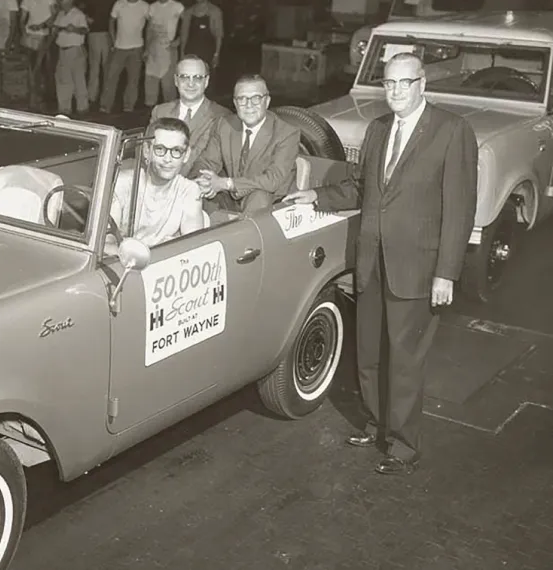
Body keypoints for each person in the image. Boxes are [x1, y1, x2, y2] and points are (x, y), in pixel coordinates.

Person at [284, 52, 478, 476]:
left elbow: (460, 209)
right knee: (369, 353)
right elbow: (360, 189)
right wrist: (316, 196)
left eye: (403, 83)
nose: (395, 91)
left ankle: (404, 444)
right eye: (388, 83)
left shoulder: (452, 130)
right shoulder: (377, 129)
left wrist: (446, 272)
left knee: (406, 360)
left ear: (422, 84)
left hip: (419, 269)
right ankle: (376, 423)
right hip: (372, 262)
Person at [192, 74, 299, 216]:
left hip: (272, 203)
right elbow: (206, 161)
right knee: (196, 195)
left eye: (256, 98)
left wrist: (226, 183)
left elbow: (273, 179)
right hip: (232, 197)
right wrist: (204, 181)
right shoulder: (224, 125)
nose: (249, 105)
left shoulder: (287, 133)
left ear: (266, 101)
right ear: (235, 103)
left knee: (259, 196)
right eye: (242, 99)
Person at [110, 117, 205, 247]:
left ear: (186, 155)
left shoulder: (189, 190)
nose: (168, 159)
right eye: (160, 149)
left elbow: (193, 244)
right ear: (146, 151)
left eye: (176, 151)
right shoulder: (121, 184)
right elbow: (105, 244)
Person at [149, 54, 229, 178]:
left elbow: (208, 163)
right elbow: (148, 153)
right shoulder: (160, 111)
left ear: (206, 81)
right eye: (184, 77)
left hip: (194, 186)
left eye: (197, 78)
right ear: (176, 80)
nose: (190, 84)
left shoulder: (221, 117)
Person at [99, 0, 149, 113]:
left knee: (133, 80)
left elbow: (151, 26)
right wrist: (113, 40)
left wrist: (147, 46)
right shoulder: (119, 4)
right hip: (119, 47)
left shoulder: (145, 6)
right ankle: (105, 105)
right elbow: (111, 22)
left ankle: (129, 106)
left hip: (137, 48)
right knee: (111, 77)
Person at [144, 0, 184, 107]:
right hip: (154, 50)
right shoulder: (152, 7)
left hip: (169, 49)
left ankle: (171, 116)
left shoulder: (177, 6)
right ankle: (150, 113)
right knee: (151, 84)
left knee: (168, 86)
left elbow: (187, 25)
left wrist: (179, 40)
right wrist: (146, 48)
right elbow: (149, 29)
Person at [80, 0, 119, 106]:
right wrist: (86, 18)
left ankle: (106, 97)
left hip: (107, 34)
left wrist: (114, 37)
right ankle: (92, 97)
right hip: (93, 33)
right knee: (94, 66)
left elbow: (117, 16)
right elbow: (80, 8)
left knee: (107, 67)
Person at [20, 0, 58, 107]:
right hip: (31, 37)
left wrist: (42, 25)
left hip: (45, 36)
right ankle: (34, 98)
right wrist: (24, 33)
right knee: (32, 68)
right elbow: (22, 20)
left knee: (46, 68)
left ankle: (48, 99)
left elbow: (54, 15)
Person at [52, 0, 90, 114]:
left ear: (70, 0)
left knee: (78, 79)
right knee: (64, 79)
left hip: (75, 50)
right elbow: (55, 29)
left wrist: (75, 29)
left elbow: (85, 30)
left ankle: (82, 108)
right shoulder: (60, 14)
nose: (60, 1)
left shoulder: (78, 14)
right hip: (62, 50)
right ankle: (64, 108)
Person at [179, 0, 222, 71]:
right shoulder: (188, 12)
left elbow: (219, 35)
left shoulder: (215, 12)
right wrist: (182, 54)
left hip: (208, 55)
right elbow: (184, 35)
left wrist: (216, 54)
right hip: (190, 55)